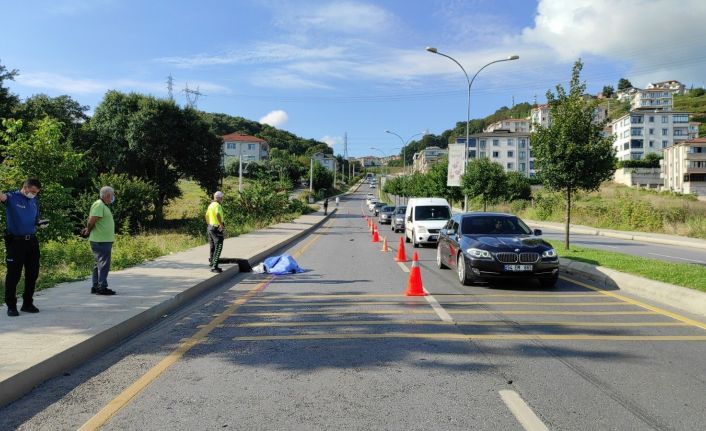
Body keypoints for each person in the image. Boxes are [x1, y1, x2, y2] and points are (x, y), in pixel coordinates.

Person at [1, 178, 45, 316]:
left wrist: (40, 223)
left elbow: (35, 220)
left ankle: (27, 303)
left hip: (32, 241)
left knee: (32, 273)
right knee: (14, 275)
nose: (34, 194)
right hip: (16, 242)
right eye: (32, 191)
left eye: (36, 192)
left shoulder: (34, 201)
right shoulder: (12, 197)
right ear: (25, 187)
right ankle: (11, 306)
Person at [81, 186, 116, 295]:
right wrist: (88, 230)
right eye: (112, 195)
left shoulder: (102, 205)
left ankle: (96, 286)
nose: (113, 197)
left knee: (99, 264)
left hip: (103, 239)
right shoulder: (99, 204)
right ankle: (102, 287)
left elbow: (92, 220)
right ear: (107, 195)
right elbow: (92, 220)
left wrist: (88, 229)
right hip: (101, 240)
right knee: (104, 265)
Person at [205, 191, 225, 273]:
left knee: (212, 246)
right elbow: (217, 214)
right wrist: (221, 225)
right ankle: (215, 266)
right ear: (219, 198)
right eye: (222, 198)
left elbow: (206, 216)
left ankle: (212, 262)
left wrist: (209, 225)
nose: (222, 199)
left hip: (210, 227)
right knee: (218, 246)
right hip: (216, 228)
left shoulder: (211, 205)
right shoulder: (217, 205)